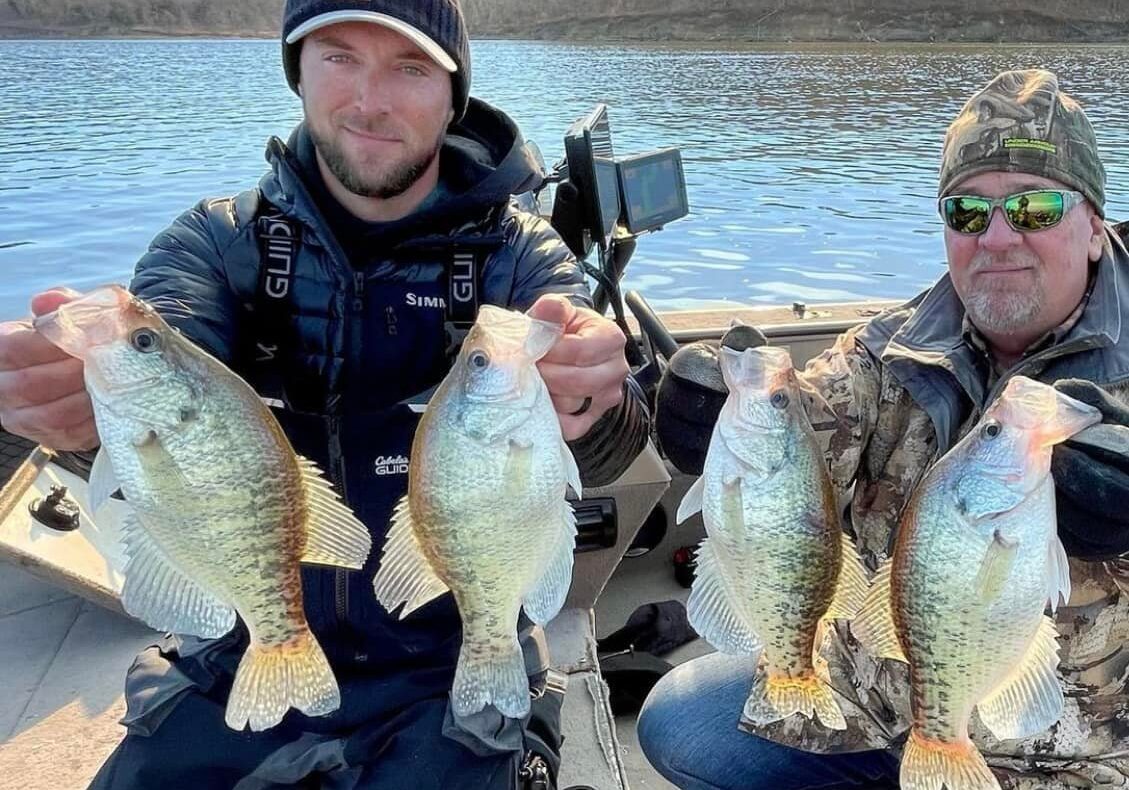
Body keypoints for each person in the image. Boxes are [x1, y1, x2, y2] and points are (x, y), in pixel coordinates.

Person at [0, 1, 650, 787]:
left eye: (409, 68)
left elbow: (608, 436)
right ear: (297, 75)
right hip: (234, 648)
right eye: (339, 57)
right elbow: (177, 364)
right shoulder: (213, 244)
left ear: (454, 94)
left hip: (445, 663)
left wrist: (593, 402)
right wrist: (81, 413)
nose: (370, 101)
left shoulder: (521, 257)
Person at [640, 68, 1129, 790]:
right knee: (678, 723)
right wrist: (712, 419)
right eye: (965, 212)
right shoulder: (892, 349)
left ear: (1092, 226)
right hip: (879, 705)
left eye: (1032, 207)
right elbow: (804, 424)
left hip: (1073, 752)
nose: (995, 238)